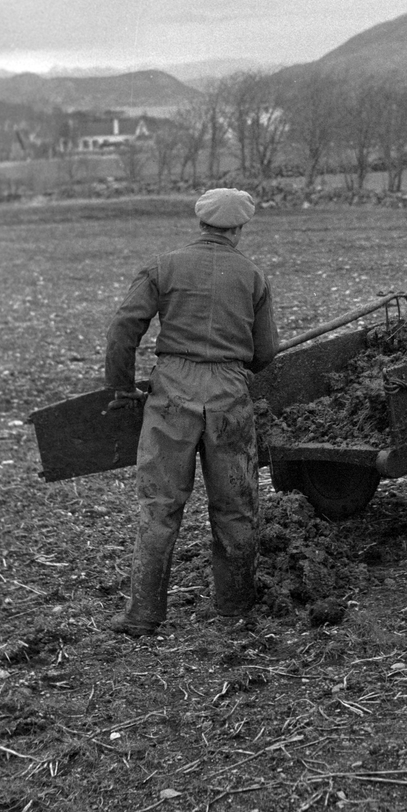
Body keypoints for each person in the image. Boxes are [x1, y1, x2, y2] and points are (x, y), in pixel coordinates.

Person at [103, 187, 279, 637]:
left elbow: (124, 327)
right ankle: (235, 606)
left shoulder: (162, 267)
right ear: (238, 229)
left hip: (172, 394)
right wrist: (235, 366)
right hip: (228, 395)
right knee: (235, 505)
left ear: (201, 224)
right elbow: (266, 352)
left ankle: (143, 613)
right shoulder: (253, 275)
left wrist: (122, 388)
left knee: (160, 506)